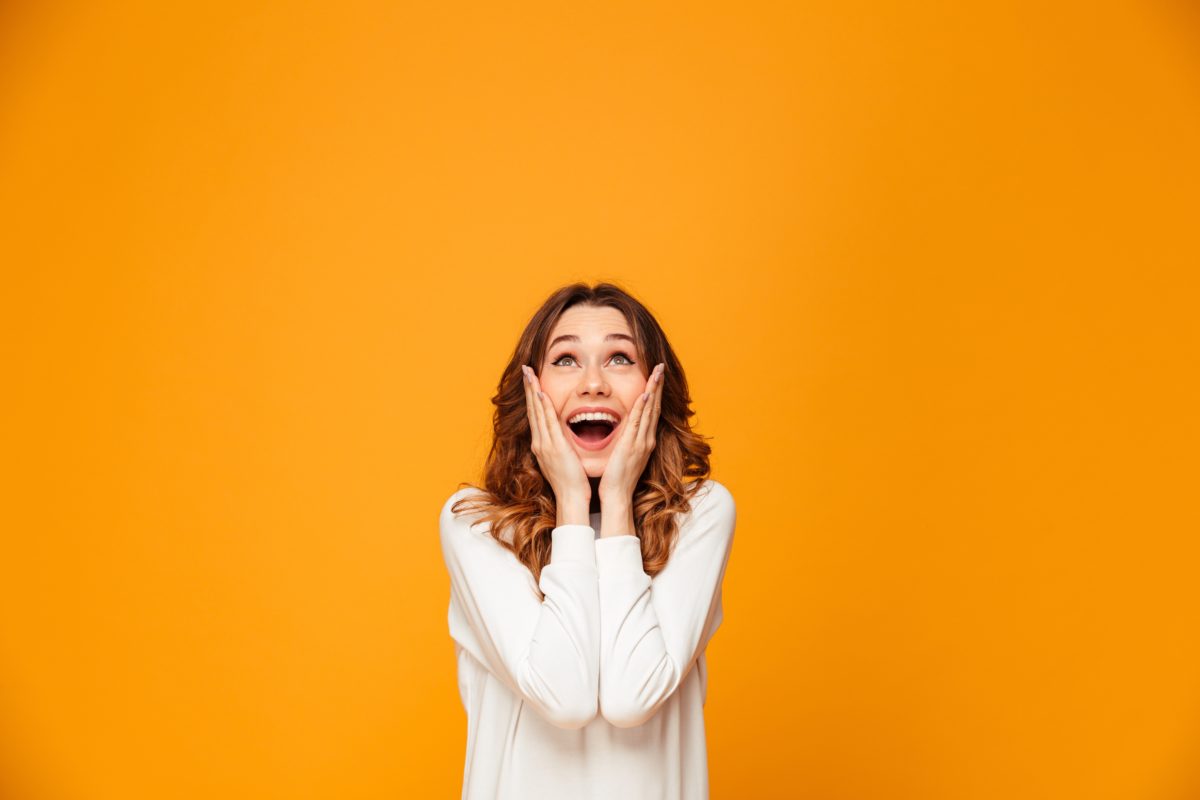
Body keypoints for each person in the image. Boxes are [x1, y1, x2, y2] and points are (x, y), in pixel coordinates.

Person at [439, 281, 737, 799]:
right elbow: (566, 697)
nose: (594, 383)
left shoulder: (700, 515)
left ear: (654, 388)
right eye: (566, 360)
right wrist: (572, 505)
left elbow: (630, 696)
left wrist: (617, 501)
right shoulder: (477, 527)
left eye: (620, 358)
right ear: (531, 392)